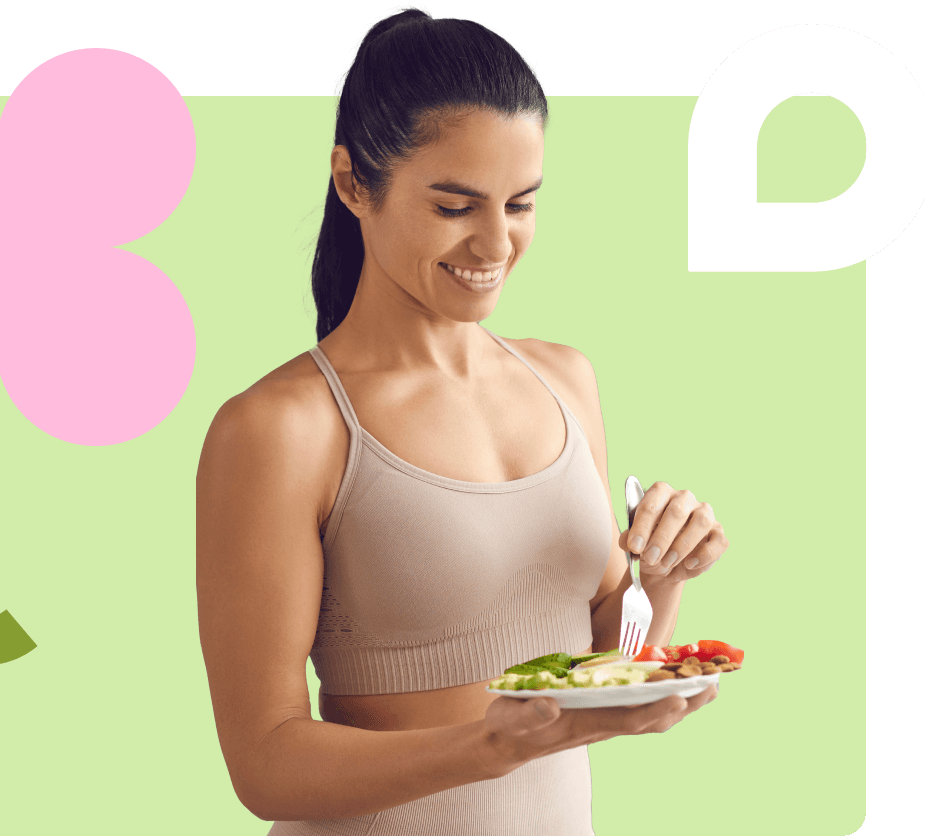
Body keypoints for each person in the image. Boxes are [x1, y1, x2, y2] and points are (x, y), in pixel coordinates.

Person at [195, 6, 728, 834]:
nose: (496, 245)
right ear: (351, 183)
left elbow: (597, 669)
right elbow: (266, 763)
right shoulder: (283, 430)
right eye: (454, 206)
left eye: (520, 203)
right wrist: (489, 746)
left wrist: (659, 579)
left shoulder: (567, 381)